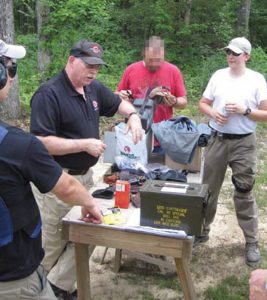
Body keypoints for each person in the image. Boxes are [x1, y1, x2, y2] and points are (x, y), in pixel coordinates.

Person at [30, 39, 143, 298]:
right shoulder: (49, 94)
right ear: (71, 61)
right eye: (88, 65)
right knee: (53, 243)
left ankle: (58, 287)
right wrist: (83, 144)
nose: (93, 71)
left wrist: (133, 115)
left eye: (97, 67)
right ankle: (39, 291)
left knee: (89, 230)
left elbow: (117, 103)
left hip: (85, 179)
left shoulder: (92, 89)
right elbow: (40, 143)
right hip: (55, 181)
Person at [0, 40, 103, 300]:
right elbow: (66, 187)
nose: (12, 77)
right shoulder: (17, 144)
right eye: (10, 69)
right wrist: (90, 203)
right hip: (14, 276)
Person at [197, 37, 267, 266]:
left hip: (243, 143)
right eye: (229, 52)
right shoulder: (218, 75)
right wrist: (212, 114)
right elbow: (202, 103)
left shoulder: (256, 80)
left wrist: (245, 110)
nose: (231, 56)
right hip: (217, 140)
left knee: (244, 191)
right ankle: (202, 231)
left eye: (236, 53)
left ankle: (250, 241)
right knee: (207, 190)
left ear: (246, 56)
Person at [116, 36, 187, 152]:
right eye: (151, 60)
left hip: (163, 136)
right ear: (143, 53)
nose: (154, 64)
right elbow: (117, 95)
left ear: (164, 54)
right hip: (135, 135)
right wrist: (121, 95)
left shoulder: (173, 71)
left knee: (161, 169)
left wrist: (174, 102)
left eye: (158, 60)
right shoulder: (131, 70)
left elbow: (183, 102)